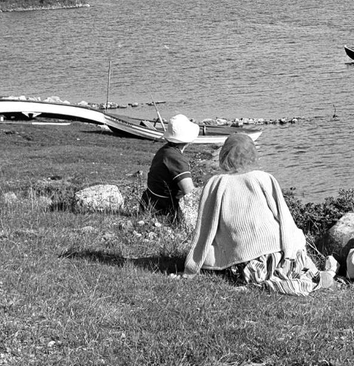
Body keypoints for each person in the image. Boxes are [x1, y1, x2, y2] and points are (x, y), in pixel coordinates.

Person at [183, 133, 330, 294]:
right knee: (294, 240)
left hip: (242, 262)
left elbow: (205, 228)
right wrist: (294, 248)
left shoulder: (215, 183)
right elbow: (284, 218)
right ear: (253, 155)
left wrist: (194, 262)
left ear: (223, 154)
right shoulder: (263, 178)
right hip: (275, 254)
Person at [140, 114, 198, 221]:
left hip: (151, 202)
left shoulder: (165, 151)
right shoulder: (176, 159)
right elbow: (189, 192)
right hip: (165, 210)